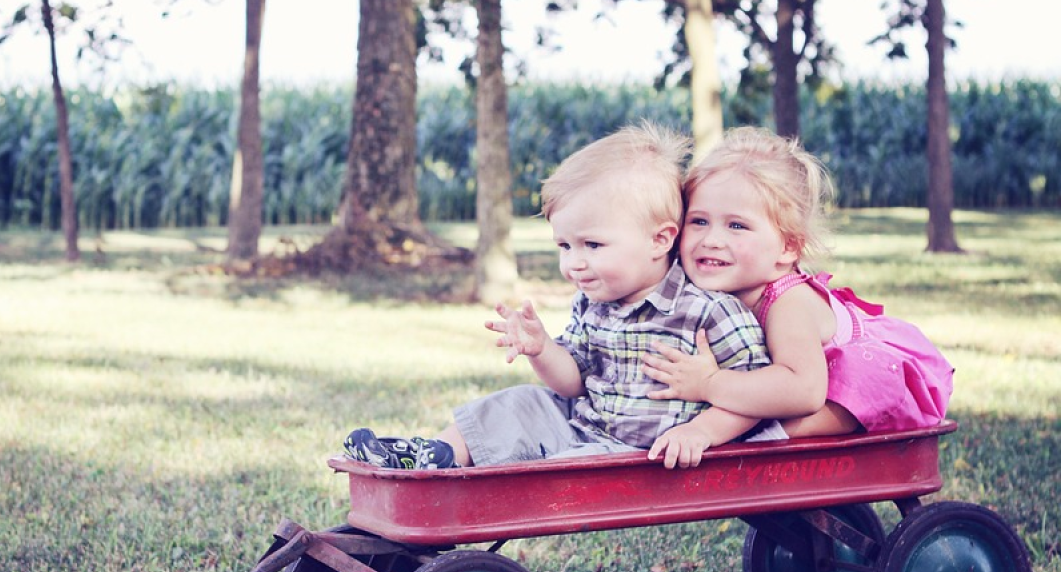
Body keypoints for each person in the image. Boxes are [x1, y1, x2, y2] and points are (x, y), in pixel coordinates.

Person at [343, 122, 784, 471]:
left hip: (640, 456)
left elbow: (755, 398)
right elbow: (573, 382)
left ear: (659, 239)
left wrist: (702, 432)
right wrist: (542, 351)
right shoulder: (593, 301)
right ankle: (434, 455)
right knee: (521, 401)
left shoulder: (708, 311)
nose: (574, 263)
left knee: (561, 470)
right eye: (564, 246)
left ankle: (477, 480)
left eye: (592, 245)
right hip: (584, 427)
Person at [643, 126, 954, 437]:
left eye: (736, 226)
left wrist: (709, 384)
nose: (711, 240)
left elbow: (804, 391)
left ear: (788, 247)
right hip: (800, 381)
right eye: (699, 221)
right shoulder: (710, 287)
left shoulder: (788, 305)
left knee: (807, 406)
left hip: (866, 384)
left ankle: (767, 438)